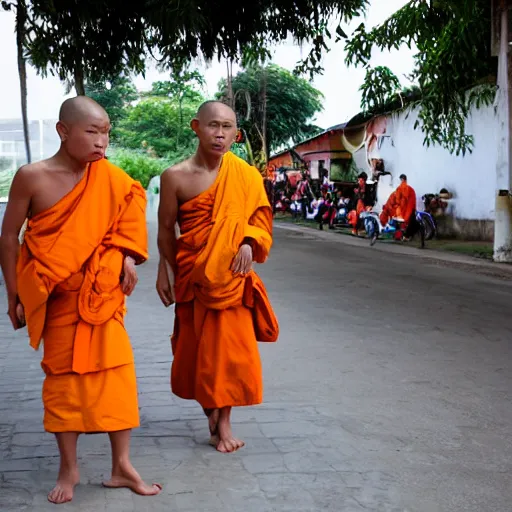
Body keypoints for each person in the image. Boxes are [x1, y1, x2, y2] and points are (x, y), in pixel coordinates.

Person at [0, 96, 161, 504]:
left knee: (118, 381)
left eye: (106, 132)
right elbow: (8, 237)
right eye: (92, 131)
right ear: (63, 131)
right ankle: (69, 469)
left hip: (102, 298)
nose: (102, 141)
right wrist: (13, 296)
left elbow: (129, 211)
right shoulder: (31, 177)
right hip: (57, 299)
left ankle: (122, 465)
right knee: (64, 385)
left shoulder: (111, 178)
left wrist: (126, 254)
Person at [156, 101, 278, 454]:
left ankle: (224, 424)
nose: (220, 134)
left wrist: (248, 241)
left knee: (229, 355)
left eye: (227, 127)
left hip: (232, 278)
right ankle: (211, 410)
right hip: (191, 275)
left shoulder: (246, 175)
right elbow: (166, 231)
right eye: (213, 125)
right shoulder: (174, 177)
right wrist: (164, 272)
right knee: (196, 354)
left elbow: (260, 222)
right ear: (196, 126)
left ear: (236, 134)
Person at [395, 174, 419, 240]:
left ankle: (401, 236)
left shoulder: (402, 188)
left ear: (402, 179)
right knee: (410, 222)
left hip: (407, 209)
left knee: (400, 222)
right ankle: (406, 236)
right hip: (411, 208)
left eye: (401, 180)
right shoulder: (410, 189)